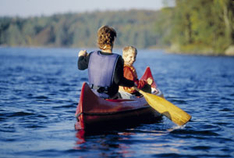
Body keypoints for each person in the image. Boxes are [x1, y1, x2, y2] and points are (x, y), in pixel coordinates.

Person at [78, 25, 135, 99]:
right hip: (111, 97)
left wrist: (81, 56)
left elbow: (80, 66)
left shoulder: (91, 55)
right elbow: (119, 81)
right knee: (132, 97)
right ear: (113, 40)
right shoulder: (118, 59)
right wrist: (132, 84)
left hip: (94, 96)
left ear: (99, 40)